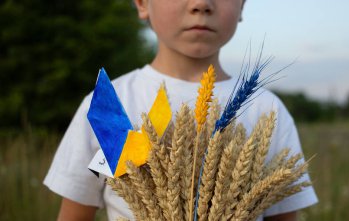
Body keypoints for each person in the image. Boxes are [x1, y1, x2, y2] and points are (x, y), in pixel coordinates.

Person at [44, 0, 318, 220]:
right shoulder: (110, 102)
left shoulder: (268, 110)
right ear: (141, 4)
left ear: (243, 6)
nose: (201, 4)